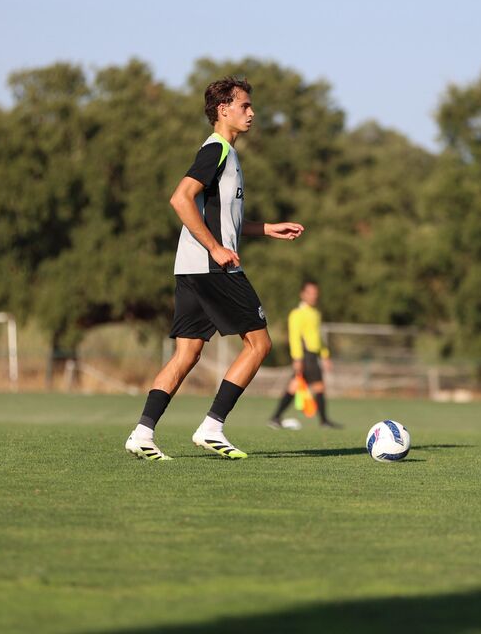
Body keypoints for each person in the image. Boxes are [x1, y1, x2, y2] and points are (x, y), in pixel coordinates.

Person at [124, 77, 305, 461]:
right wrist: (216, 248)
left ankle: (142, 433)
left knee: (186, 354)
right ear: (223, 110)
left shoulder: (227, 154)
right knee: (260, 344)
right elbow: (180, 199)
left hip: (190, 268)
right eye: (245, 106)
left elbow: (222, 219)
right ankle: (212, 427)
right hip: (212, 267)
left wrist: (264, 228)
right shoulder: (217, 150)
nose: (252, 113)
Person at [268, 279, 342, 429]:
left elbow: (318, 338)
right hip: (305, 356)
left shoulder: (316, 313)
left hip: (313, 355)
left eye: (315, 293)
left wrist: (325, 355)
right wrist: (297, 358)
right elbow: (294, 337)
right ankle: (324, 421)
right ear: (302, 294)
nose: (313, 296)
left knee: (294, 386)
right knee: (318, 387)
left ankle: (275, 417)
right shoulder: (297, 314)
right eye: (310, 293)